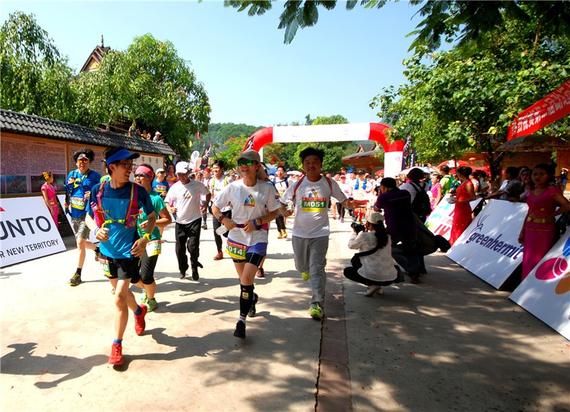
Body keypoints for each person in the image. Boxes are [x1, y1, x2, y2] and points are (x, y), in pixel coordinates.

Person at [85, 147, 156, 366]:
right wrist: (95, 230)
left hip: (129, 252)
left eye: (131, 165)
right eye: (125, 165)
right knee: (122, 295)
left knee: (118, 298)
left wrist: (144, 238)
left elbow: (152, 217)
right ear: (111, 167)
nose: (130, 170)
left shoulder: (138, 191)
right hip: (107, 253)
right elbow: (89, 217)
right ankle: (138, 311)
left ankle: (116, 345)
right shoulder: (98, 190)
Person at [211, 150, 281, 339]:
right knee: (244, 281)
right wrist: (223, 220)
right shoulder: (233, 187)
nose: (244, 165)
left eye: (248, 162)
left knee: (246, 279)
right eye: (241, 162)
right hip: (236, 238)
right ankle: (252, 298)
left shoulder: (267, 188)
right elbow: (215, 207)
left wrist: (258, 222)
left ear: (257, 166)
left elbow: (275, 212)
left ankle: (241, 321)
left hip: (258, 238)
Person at [281, 147, 355, 320]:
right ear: (303, 165)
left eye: (315, 162)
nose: (311, 165)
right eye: (308, 162)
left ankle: (316, 303)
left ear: (321, 164)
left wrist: (352, 204)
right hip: (299, 233)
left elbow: (343, 201)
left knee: (317, 269)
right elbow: (283, 202)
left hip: (320, 234)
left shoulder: (329, 183)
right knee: (301, 266)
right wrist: (284, 211)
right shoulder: (297, 184)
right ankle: (305, 268)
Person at [518, 164, 570, 279]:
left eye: (542, 174)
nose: (538, 177)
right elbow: (529, 211)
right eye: (535, 174)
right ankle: (524, 285)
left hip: (545, 229)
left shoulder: (552, 190)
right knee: (528, 257)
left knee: (540, 257)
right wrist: (522, 230)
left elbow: (567, 205)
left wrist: (553, 214)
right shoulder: (531, 190)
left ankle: (536, 284)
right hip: (530, 228)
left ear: (548, 176)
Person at [133, 164, 172, 312]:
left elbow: (167, 219)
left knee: (146, 275)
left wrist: (152, 222)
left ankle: (151, 299)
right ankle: (147, 290)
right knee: (132, 275)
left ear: (150, 178)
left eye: (141, 175)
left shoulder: (155, 199)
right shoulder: (133, 196)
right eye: (136, 175)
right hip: (135, 239)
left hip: (152, 240)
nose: (137, 178)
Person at [165, 161, 211, 281]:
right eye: (179, 174)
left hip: (194, 220)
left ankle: (194, 266)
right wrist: (170, 208)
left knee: (192, 247)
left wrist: (205, 205)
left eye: (184, 174)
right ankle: (183, 268)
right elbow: (166, 201)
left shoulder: (197, 185)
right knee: (179, 249)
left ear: (189, 173)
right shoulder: (174, 187)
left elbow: (208, 194)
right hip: (180, 221)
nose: (182, 177)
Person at [374, 177, 422, 283]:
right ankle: (415, 272)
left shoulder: (384, 197)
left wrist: (380, 195)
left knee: (389, 248)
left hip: (394, 227)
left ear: (384, 187)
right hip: (410, 225)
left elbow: (376, 208)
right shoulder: (405, 193)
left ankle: (408, 269)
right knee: (411, 248)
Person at [65, 148, 102, 286]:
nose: (82, 162)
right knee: (80, 242)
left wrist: (91, 195)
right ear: (76, 163)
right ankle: (97, 249)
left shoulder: (95, 176)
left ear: (89, 162)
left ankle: (78, 274)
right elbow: (68, 190)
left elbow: (100, 193)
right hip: (74, 212)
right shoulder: (71, 174)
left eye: (85, 160)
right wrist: (66, 202)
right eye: (80, 160)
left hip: (87, 214)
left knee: (80, 242)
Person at [344, 211, 402, 296]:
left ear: (369, 224)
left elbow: (351, 245)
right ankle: (379, 286)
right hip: (389, 277)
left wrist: (355, 233)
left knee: (348, 271)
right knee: (380, 265)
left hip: (372, 274)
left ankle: (372, 285)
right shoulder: (388, 237)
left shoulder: (364, 236)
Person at [209, 160, 232, 260]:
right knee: (216, 231)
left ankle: (232, 246)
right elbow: (211, 193)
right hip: (216, 210)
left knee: (227, 230)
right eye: (213, 168)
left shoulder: (228, 180)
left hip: (227, 209)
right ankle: (219, 252)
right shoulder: (211, 181)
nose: (215, 170)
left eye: (217, 168)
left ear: (222, 169)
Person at [449, 166, 476, 245]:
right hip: (459, 207)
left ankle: (457, 245)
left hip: (463, 208)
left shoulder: (468, 183)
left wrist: (459, 201)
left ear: (461, 174)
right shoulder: (463, 182)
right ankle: (454, 244)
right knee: (456, 225)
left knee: (460, 226)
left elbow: (473, 197)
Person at [273, 165, 289, 238]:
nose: (279, 172)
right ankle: (280, 231)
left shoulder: (287, 181)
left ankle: (282, 230)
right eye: (278, 170)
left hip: (285, 201)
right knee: (278, 216)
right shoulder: (274, 181)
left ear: (284, 172)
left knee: (281, 216)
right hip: (276, 201)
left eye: (281, 171)